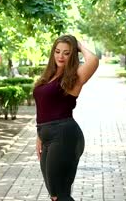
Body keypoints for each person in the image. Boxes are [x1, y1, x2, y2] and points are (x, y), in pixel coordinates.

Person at [33, 34, 99, 201]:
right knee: (54, 194)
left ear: (73, 55)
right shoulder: (49, 76)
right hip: (47, 136)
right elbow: (44, 108)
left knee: (60, 194)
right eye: (57, 51)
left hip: (63, 136)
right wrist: (39, 134)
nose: (60, 56)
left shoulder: (73, 78)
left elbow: (93, 60)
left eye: (67, 53)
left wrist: (79, 45)